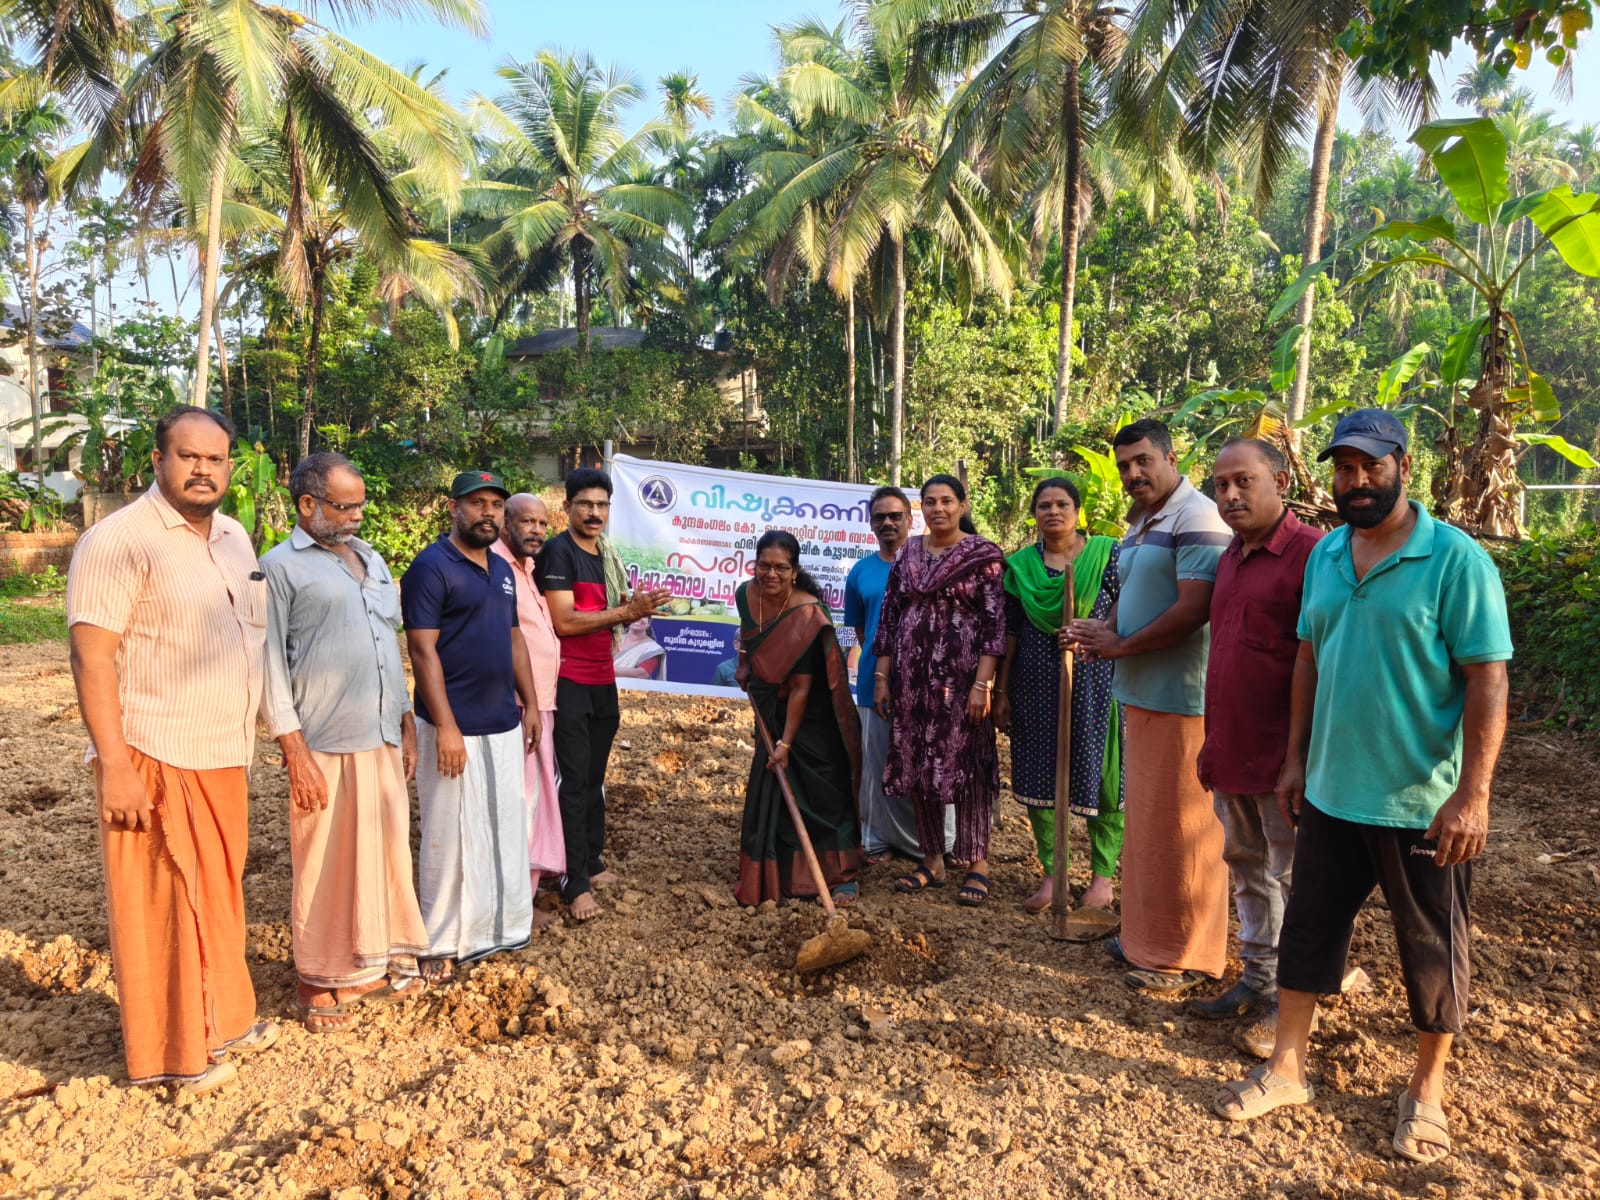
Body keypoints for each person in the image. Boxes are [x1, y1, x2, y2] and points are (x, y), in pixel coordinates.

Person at [1214, 410, 1511, 1168]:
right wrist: (1295, 760)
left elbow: (1486, 678)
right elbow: (1309, 658)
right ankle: (1286, 1068)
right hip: (1330, 793)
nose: (1354, 482)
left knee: (1431, 952)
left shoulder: (1455, 560)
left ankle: (1427, 1092)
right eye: (1343, 469)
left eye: (1368, 467)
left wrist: (1472, 795)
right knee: (1309, 935)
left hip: (1420, 803)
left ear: (1401, 466)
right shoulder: (1329, 555)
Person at [66, 405, 279, 1093]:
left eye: (214, 459)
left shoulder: (236, 538)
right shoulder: (118, 540)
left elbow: (255, 642)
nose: (202, 469)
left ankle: (226, 1017)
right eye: (187, 457)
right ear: (158, 461)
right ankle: (172, 1052)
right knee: (162, 903)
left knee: (219, 893)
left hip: (221, 750)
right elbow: (91, 659)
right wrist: (117, 766)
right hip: (152, 750)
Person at [261, 452, 430, 1030]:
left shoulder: (371, 558)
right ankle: (316, 981)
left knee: (385, 855)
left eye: (360, 504)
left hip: (382, 733)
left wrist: (406, 720)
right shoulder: (278, 567)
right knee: (324, 861)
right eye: (345, 505)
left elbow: (389, 643)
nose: (358, 515)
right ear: (307, 505)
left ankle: (374, 965)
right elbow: (268, 668)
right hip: (323, 742)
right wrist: (294, 750)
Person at [1070, 418, 1232, 994]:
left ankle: (1185, 955)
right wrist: (1102, 630)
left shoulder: (1198, 516)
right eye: (1123, 467)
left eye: (1142, 461)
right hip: (1139, 694)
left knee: (1187, 831)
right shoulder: (1142, 523)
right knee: (1148, 826)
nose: (1133, 474)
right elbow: (1129, 598)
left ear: (1170, 457)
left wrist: (1120, 644)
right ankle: (1144, 938)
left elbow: (1195, 610)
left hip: (1184, 701)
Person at [1187, 439, 1322, 1055]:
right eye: (1220, 485)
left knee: (1294, 880)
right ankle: (1259, 979)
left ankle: (1296, 1003)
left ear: (1281, 480)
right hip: (1232, 748)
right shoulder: (1232, 559)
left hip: (1285, 760)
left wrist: (1300, 758)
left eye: (1243, 481)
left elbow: (1320, 663)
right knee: (1245, 869)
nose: (1230, 495)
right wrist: (1213, 743)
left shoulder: (1314, 556)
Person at [401, 471, 542, 980]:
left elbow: (515, 639)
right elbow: (421, 649)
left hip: (502, 722)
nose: (488, 513)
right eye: (477, 503)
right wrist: (446, 726)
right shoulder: (431, 567)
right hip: (452, 725)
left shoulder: (503, 569)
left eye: (496, 506)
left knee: (503, 826)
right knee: (447, 833)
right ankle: (436, 942)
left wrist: (528, 702)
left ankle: (497, 928)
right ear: (454, 508)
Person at [536, 467, 672, 921]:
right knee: (573, 785)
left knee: (594, 780)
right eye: (585, 504)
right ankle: (572, 883)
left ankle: (591, 862)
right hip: (570, 682)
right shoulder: (558, 553)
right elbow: (565, 622)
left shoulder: (606, 554)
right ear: (567, 507)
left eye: (601, 505)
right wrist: (625, 611)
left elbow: (615, 612)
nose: (594, 513)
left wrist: (637, 606)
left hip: (603, 681)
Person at [873, 474, 1006, 906]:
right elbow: (890, 618)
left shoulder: (983, 556)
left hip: (962, 684)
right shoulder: (908, 554)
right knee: (919, 766)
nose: (938, 509)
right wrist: (882, 676)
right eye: (930, 502)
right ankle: (933, 859)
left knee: (966, 768)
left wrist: (982, 685)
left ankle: (976, 863)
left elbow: (994, 626)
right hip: (912, 684)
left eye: (947, 501)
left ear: (963, 505)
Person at [995, 477, 1124, 920]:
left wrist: (1098, 629)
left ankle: (1103, 877)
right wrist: (1002, 689)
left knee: (1102, 778)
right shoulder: (1020, 568)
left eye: (1062, 504)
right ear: (1034, 513)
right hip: (1034, 684)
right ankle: (1053, 874)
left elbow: (1126, 606)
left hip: (1096, 681)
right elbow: (1010, 632)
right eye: (1044, 505)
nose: (1053, 512)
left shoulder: (1109, 555)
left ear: (1077, 509)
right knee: (1040, 780)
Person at [733, 530, 863, 904]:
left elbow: (804, 688)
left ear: (794, 571)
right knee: (770, 786)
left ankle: (840, 875)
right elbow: (747, 631)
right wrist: (744, 665)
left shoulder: (806, 614)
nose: (770, 574)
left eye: (781, 567)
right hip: (768, 704)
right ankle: (779, 873)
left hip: (810, 720)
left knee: (819, 790)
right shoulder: (746, 593)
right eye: (764, 565)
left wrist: (786, 744)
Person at [843, 485, 954, 864]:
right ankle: (880, 840)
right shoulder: (860, 571)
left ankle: (942, 844)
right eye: (880, 517)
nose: (887, 522)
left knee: (932, 762)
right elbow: (858, 630)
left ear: (911, 518)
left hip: (931, 684)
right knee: (879, 765)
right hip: (877, 683)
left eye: (895, 515)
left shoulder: (934, 562)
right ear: (870, 523)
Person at [491, 492, 567, 925]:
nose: (536, 530)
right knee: (522, 803)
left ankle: (527, 894)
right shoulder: (497, 568)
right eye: (527, 522)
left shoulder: (528, 569)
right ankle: (516, 903)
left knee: (536, 800)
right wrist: (531, 705)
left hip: (540, 704)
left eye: (542, 523)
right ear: (506, 523)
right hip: (521, 706)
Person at [613, 615, 666, 679]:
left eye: (643, 615)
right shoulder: (614, 639)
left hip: (631, 688)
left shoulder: (652, 648)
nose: (638, 618)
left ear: (649, 623)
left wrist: (608, 670)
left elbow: (642, 674)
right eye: (635, 614)